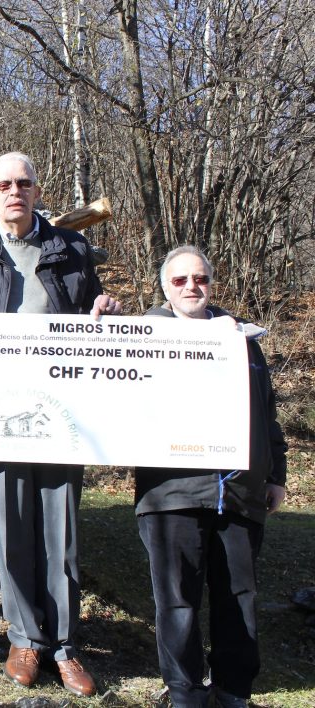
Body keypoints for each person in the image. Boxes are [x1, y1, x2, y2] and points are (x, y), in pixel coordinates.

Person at [0, 151, 121, 697]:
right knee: (11, 521)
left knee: (60, 529)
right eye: (3, 184)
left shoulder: (71, 251)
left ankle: (65, 646)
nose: (14, 191)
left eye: (23, 182)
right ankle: (24, 638)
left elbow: (93, 319)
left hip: (63, 412)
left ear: (38, 191)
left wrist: (104, 312)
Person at [135, 245, 287, 708]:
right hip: (171, 494)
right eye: (180, 280)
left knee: (239, 596)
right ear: (165, 288)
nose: (191, 287)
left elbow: (267, 412)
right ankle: (183, 691)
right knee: (176, 601)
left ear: (212, 284)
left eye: (199, 278)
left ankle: (233, 690)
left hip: (239, 490)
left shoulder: (244, 340)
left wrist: (276, 473)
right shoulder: (143, 335)